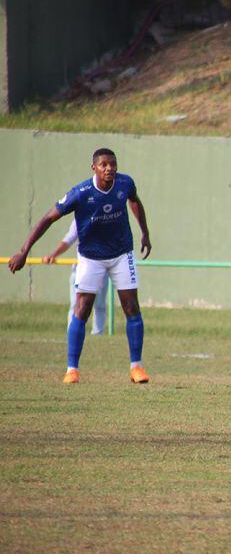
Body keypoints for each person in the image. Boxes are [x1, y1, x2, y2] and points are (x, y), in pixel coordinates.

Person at [8, 148, 152, 384]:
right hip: (90, 257)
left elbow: (135, 201)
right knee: (82, 309)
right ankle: (72, 369)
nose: (109, 168)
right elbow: (47, 218)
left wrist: (145, 232)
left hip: (121, 254)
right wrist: (24, 251)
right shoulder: (81, 193)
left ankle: (136, 368)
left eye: (112, 164)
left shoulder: (125, 183)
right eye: (104, 164)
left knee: (132, 308)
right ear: (93, 167)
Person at [43, 220, 108, 336]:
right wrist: (54, 254)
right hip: (81, 270)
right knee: (76, 305)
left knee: (99, 305)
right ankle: (72, 333)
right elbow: (69, 238)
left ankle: (98, 334)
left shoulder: (108, 217)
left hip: (101, 269)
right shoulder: (80, 218)